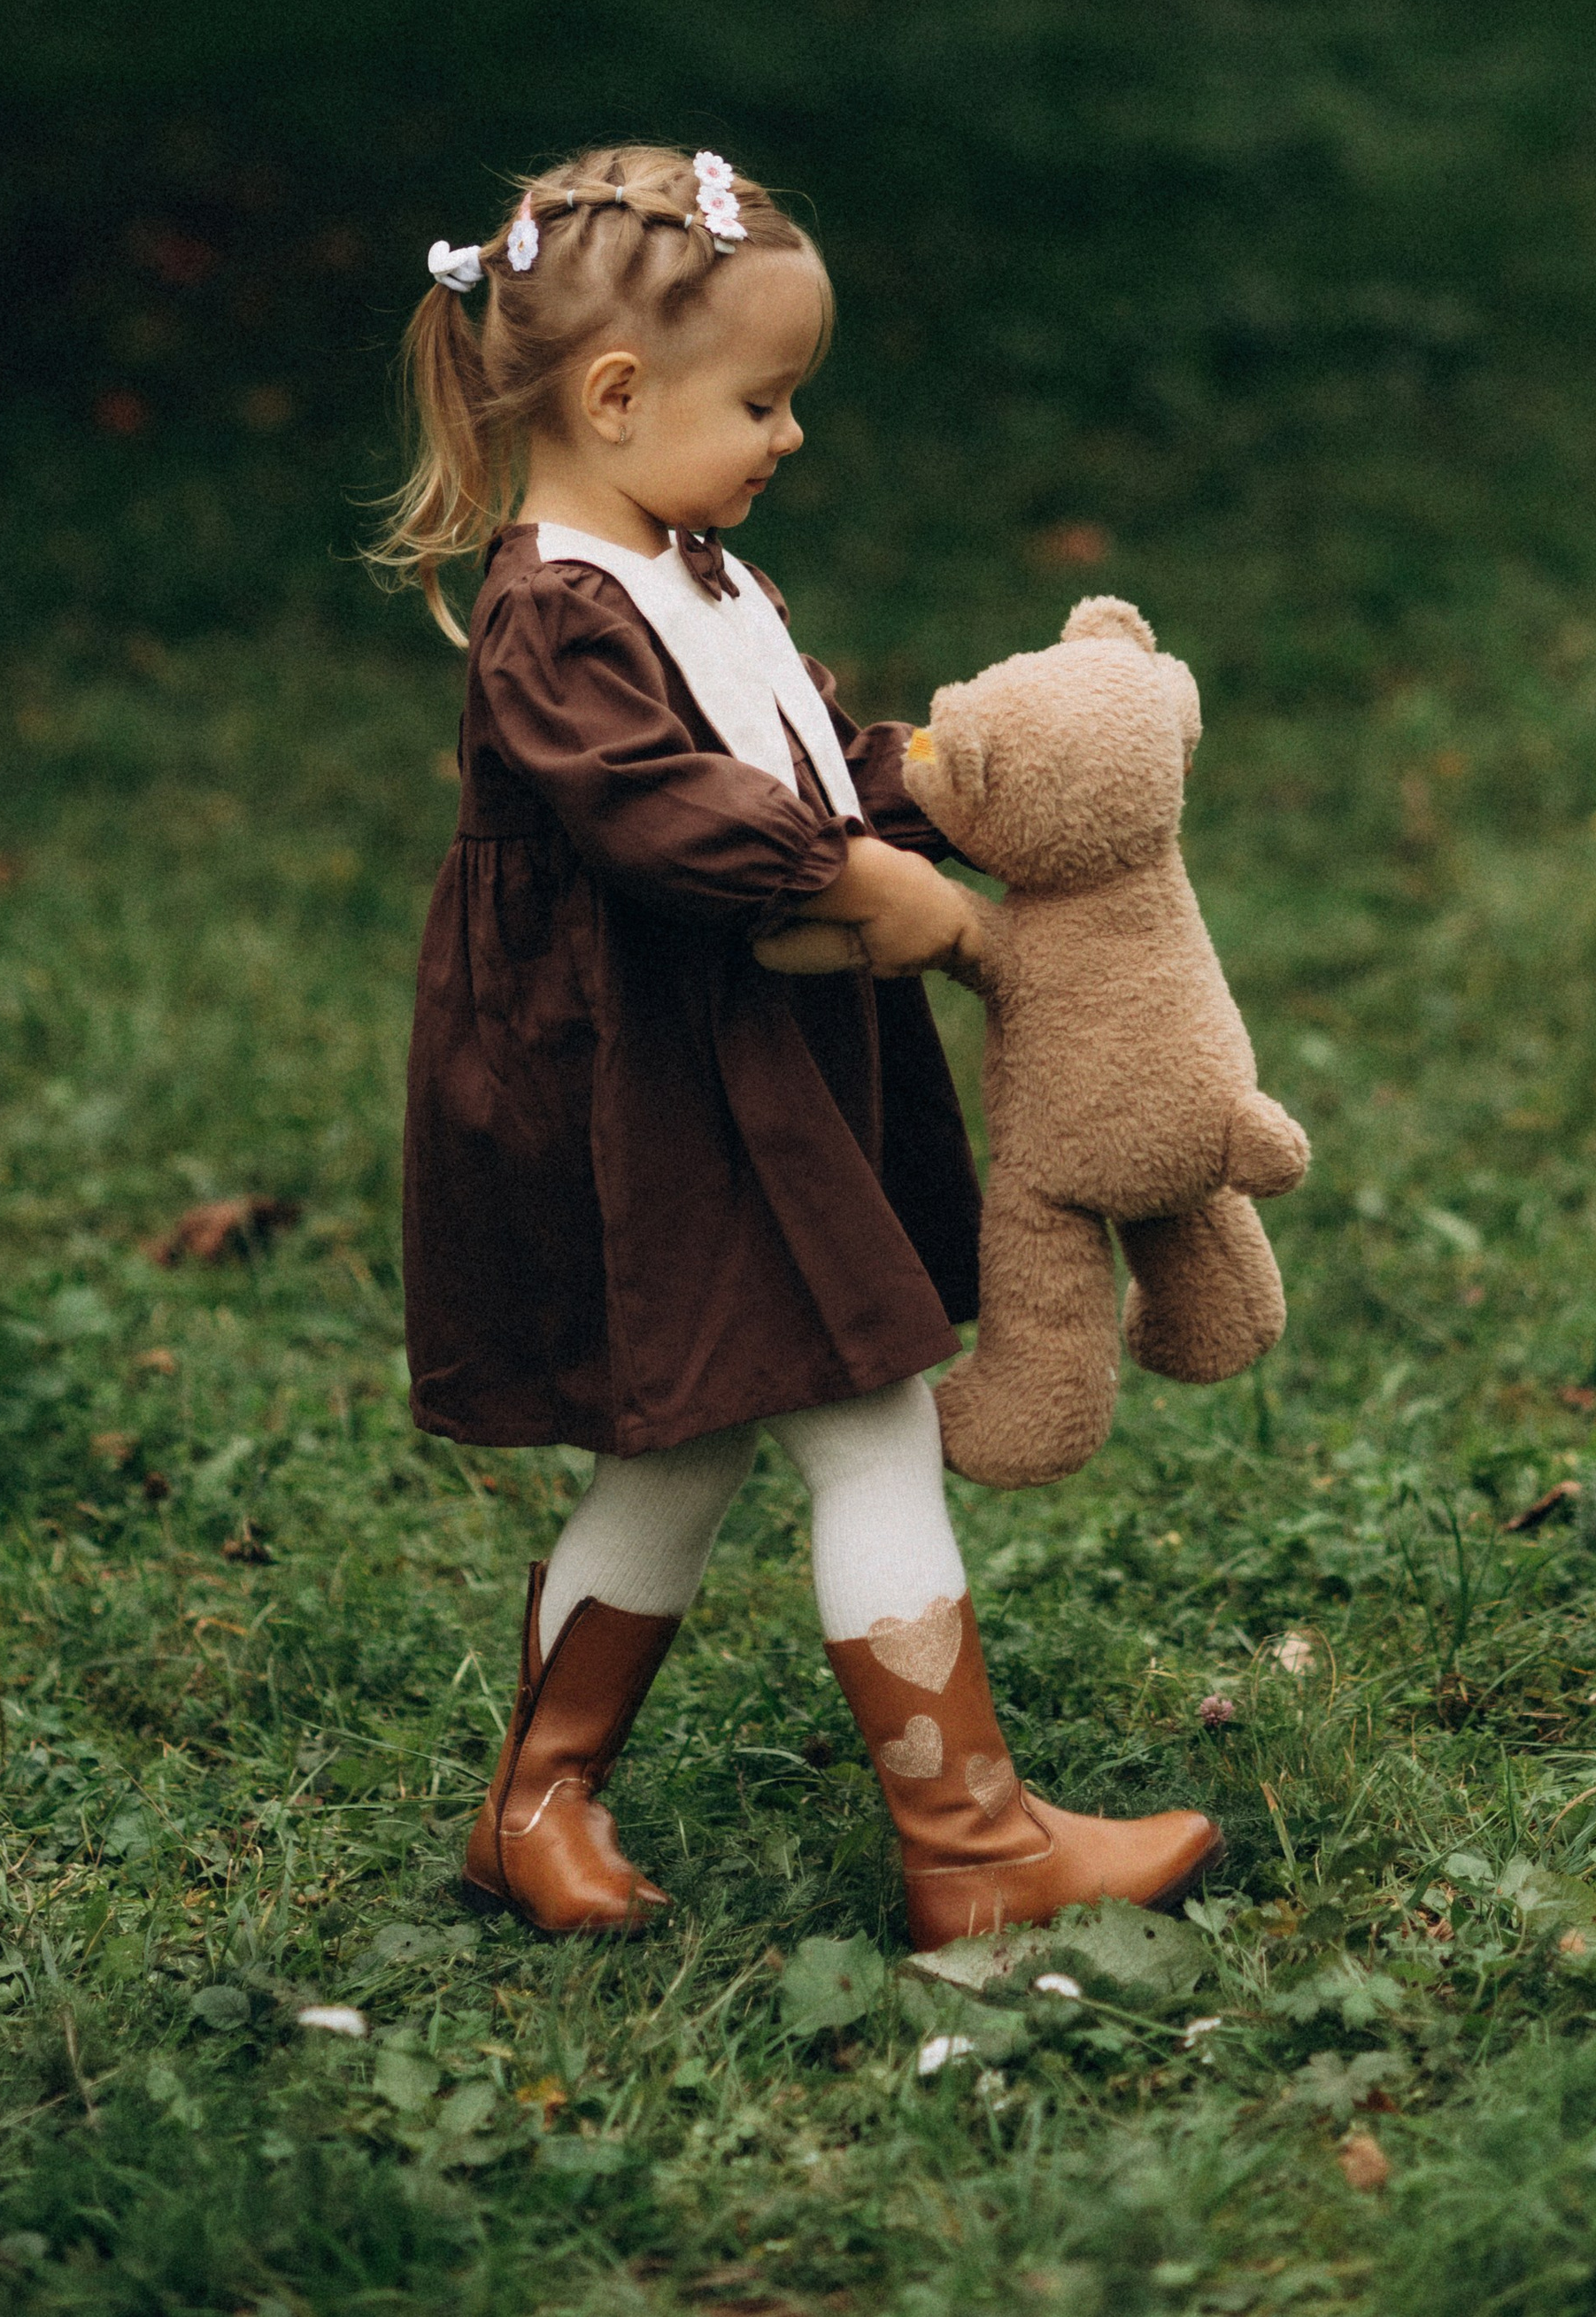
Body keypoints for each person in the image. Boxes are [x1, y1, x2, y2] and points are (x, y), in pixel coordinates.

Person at [370, 143, 1221, 1943]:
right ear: (613, 397)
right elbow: (659, 813)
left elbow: (814, 746)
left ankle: (534, 1804)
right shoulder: (549, 614)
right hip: (653, 1097)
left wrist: (969, 795)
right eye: (759, 398)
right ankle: (973, 1855)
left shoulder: (697, 572)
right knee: (866, 1422)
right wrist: (858, 884)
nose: (788, 435)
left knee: (680, 1447)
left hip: (739, 1074)